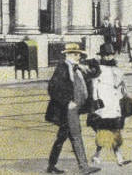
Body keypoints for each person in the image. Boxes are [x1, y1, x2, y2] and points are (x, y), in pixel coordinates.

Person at [45, 42, 100, 175]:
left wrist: (92, 60)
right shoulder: (63, 68)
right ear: (68, 55)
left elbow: (95, 73)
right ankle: (83, 166)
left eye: (79, 54)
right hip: (68, 110)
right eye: (76, 54)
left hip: (75, 110)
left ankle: (51, 165)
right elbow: (53, 88)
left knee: (62, 137)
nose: (78, 57)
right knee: (76, 136)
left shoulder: (78, 68)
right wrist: (67, 102)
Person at [88, 43, 131, 166]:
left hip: (115, 104)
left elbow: (121, 86)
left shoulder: (117, 69)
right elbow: (94, 86)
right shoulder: (98, 69)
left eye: (110, 55)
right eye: (106, 55)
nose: (108, 57)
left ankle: (116, 158)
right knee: (104, 131)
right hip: (104, 104)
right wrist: (96, 101)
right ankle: (107, 157)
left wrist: (123, 94)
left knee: (114, 130)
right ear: (102, 56)